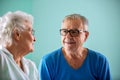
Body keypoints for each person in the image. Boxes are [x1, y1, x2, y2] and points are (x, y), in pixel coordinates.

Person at [39, 14, 112, 80]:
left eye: (74, 32)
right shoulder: (48, 61)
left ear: (85, 36)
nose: (67, 36)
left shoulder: (100, 61)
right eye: (64, 31)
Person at [0, 11, 39, 80]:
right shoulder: (2, 59)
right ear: (17, 34)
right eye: (31, 32)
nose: (34, 39)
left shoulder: (31, 66)